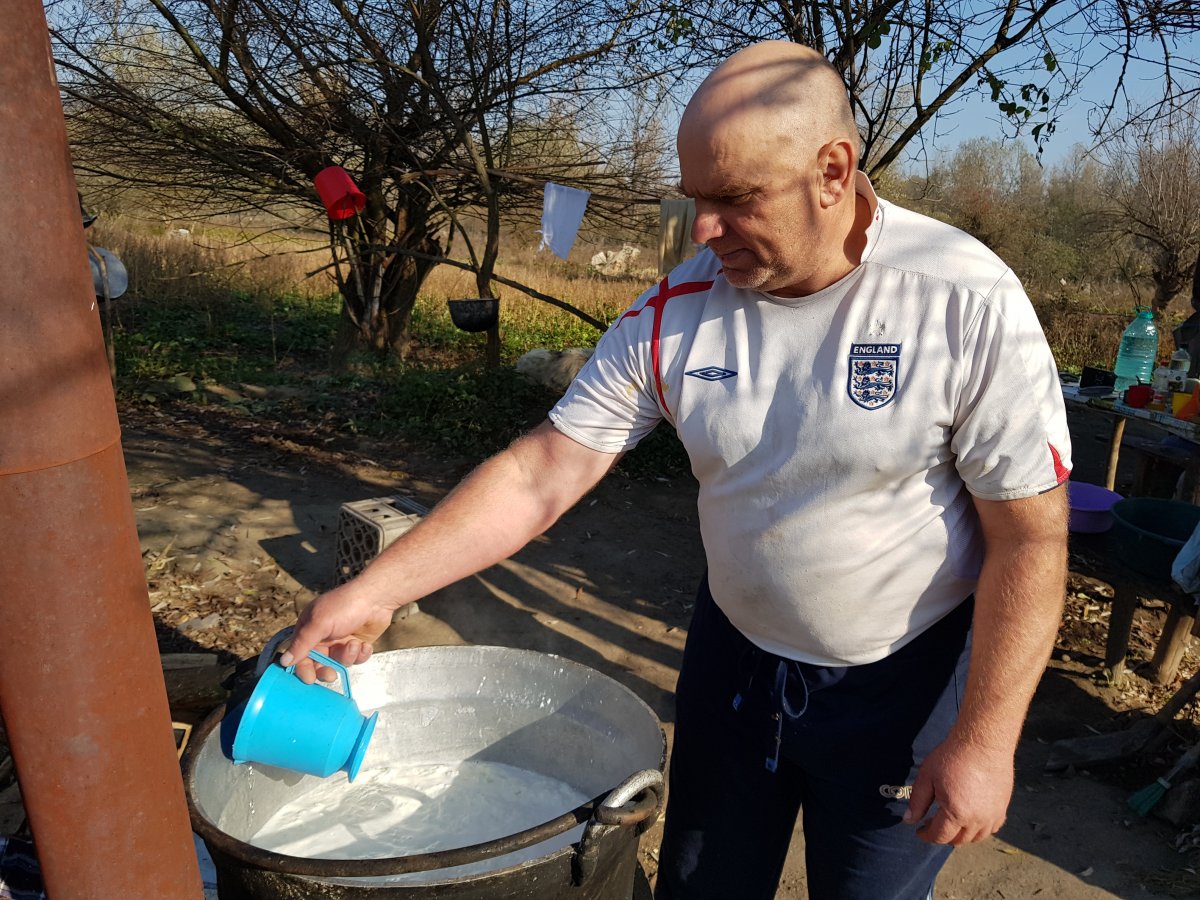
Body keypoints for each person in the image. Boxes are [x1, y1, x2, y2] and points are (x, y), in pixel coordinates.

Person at [282, 40, 1072, 900]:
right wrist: (377, 589)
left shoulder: (961, 302)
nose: (700, 229)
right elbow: (543, 470)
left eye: (733, 198)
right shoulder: (679, 309)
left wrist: (986, 742)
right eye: (696, 198)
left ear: (834, 171)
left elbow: (1030, 540)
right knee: (700, 886)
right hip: (734, 665)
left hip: (903, 681)